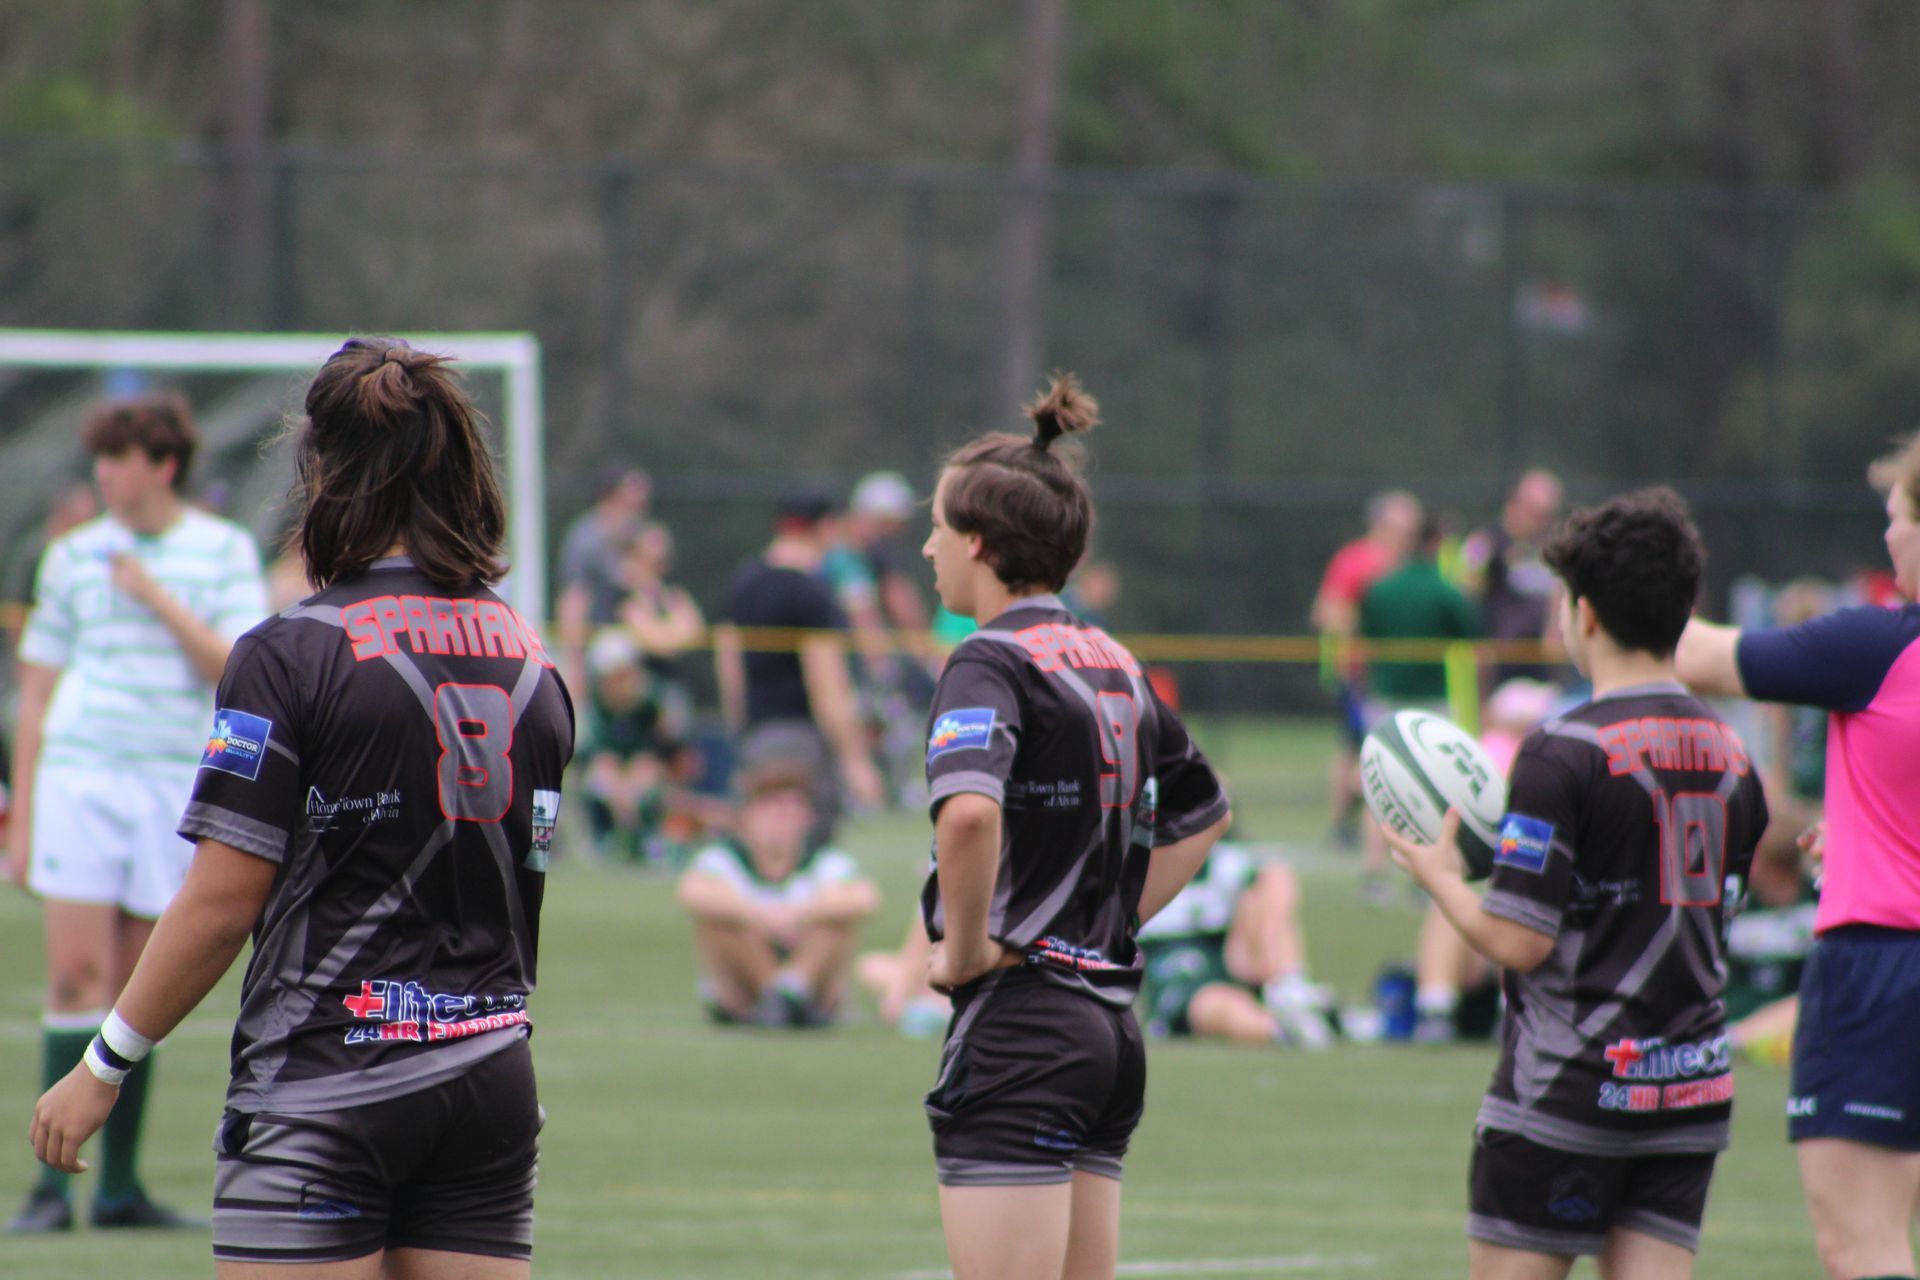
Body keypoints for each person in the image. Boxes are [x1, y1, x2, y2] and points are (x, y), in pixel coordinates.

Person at [29, 337, 575, 1275]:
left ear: (323, 472)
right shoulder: (531, 656)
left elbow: (220, 899)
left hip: (329, 1080)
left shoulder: (290, 651)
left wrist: (105, 1063)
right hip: (486, 1077)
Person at [1385, 487, 1767, 1279]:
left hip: (1569, 1090)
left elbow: (1519, 939)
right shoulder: (1734, 754)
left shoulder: (1562, 749)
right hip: (1688, 1090)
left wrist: (1440, 877)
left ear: (1583, 614)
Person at [917, 373, 1231, 1280]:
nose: (926, 544)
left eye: (937, 526)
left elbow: (970, 814)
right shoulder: (1112, 660)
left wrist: (968, 949)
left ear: (976, 544)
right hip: (1107, 1034)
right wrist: (1109, 924)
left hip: (1023, 1028)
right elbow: (1203, 814)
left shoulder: (987, 660)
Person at [7, 395, 268, 1233]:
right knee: (76, 976)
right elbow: (39, 690)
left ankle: (116, 1189)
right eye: (99, 459)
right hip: (82, 780)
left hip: (170, 787)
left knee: (132, 988)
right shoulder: (73, 555)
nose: (104, 475)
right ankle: (49, 1192)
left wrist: (154, 595)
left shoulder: (222, 550)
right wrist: (23, 809)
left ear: (162, 465)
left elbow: (235, 666)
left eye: (120, 459)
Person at [1675, 432, 1920, 1280]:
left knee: (1865, 1245)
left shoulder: (1878, 646)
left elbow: (1695, 654)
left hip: (1885, 966)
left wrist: (1601, 581)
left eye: (1895, 519)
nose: (1888, 541)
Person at [714, 491, 884, 842]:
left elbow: (728, 664)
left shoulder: (743, 583)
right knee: (807, 849)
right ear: (824, 528)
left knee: (764, 847)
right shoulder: (811, 592)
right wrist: (856, 760)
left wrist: (741, 726)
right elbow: (827, 684)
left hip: (757, 735)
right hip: (804, 740)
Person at [675, 756, 879, 1027]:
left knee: (836, 921)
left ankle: (790, 990)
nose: (781, 819)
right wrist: (759, 917)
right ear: (747, 816)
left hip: (813, 986)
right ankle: (777, 995)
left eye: (791, 809)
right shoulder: (724, 860)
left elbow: (865, 899)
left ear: (806, 818)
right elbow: (691, 893)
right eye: (771, 809)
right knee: (720, 920)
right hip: (741, 991)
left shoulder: (824, 862)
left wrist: (801, 915)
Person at [1356, 513, 1478, 895]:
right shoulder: (1445, 590)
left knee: (1378, 785)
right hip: (1430, 705)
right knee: (1434, 789)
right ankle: (1424, 878)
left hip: (1385, 698)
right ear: (1436, 543)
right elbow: (1471, 632)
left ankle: (1374, 875)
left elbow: (1367, 634)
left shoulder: (1380, 588)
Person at [1135, 845, 1333, 1049]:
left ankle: (1289, 987)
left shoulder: (1219, 859)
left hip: (1224, 952)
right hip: (1174, 961)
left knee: (1274, 879)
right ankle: (1284, 1029)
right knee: (1210, 1001)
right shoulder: (1134, 866)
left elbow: (1274, 880)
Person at [1312, 490, 1421, 848]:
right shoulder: (1355, 560)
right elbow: (1327, 611)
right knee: (1356, 749)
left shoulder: (1413, 565)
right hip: (1361, 674)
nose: (1407, 536)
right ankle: (1342, 824)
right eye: (1401, 528)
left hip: (1402, 675)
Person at [1461, 468, 1564, 685]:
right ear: (1515, 504)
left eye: (1547, 514)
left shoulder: (1552, 548)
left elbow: (1559, 592)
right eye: (1535, 512)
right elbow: (1468, 595)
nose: (1541, 521)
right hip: (1498, 663)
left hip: (1541, 666)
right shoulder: (1485, 544)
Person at [555, 467, 651, 689]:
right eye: (633, 502)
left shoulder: (637, 537)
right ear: (612, 498)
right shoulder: (587, 540)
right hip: (601, 653)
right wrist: (573, 663)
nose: (640, 510)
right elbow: (573, 600)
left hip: (640, 647)